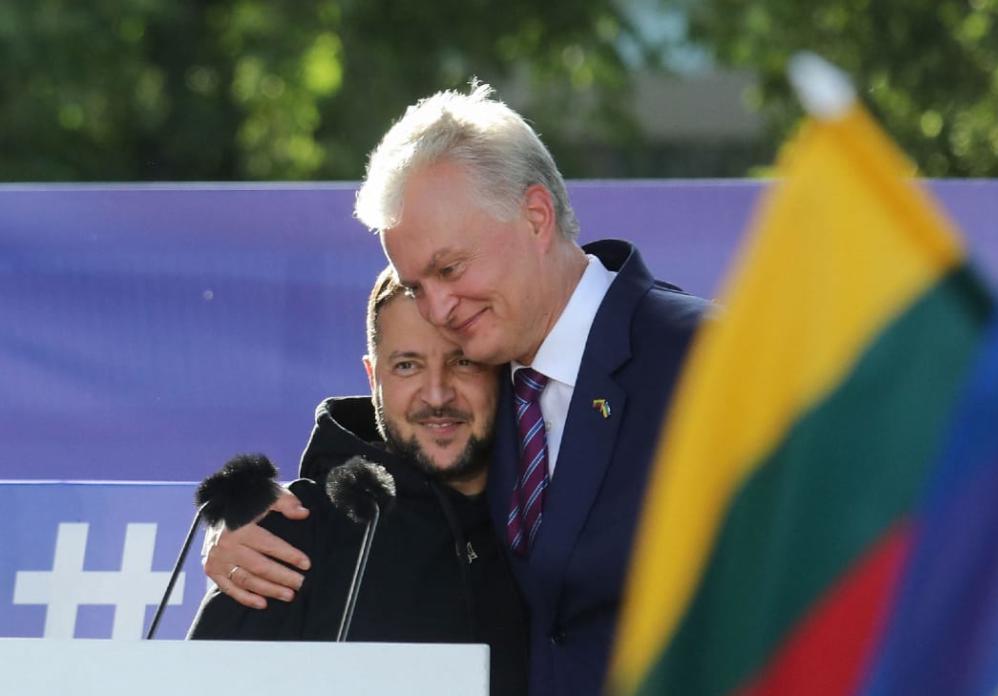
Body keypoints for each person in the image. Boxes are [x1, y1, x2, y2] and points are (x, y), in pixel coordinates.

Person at [204, 81, 711, 695]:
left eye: (450, 268)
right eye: (416, 285)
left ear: (535, 217)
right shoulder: (497, 390)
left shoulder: (708, 359)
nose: (439, 308)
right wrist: (254, 529)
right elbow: (402, 461)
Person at [189, 266, 529, 696]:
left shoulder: (556, 517)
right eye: (408, 366)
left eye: (463, 362)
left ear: (502, 368)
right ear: (373, 379)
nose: (438, 394)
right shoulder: (292, 535)